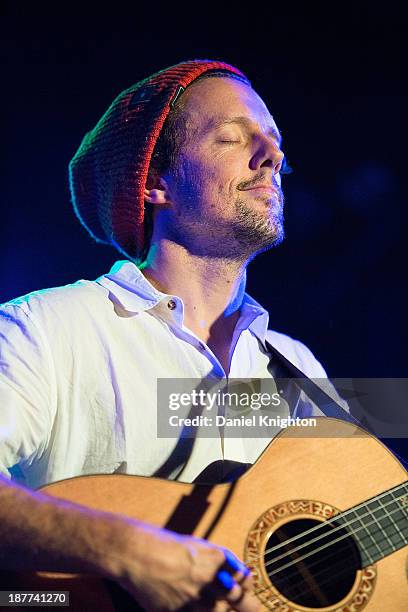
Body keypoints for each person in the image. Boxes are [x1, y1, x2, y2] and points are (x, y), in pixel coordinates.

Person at [0, 59, 333, 611]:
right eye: (232, 137)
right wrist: (129, 552)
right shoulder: (44, 329)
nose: (271, 156)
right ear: (154, 183)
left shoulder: (299, 370)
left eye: (274, 144)